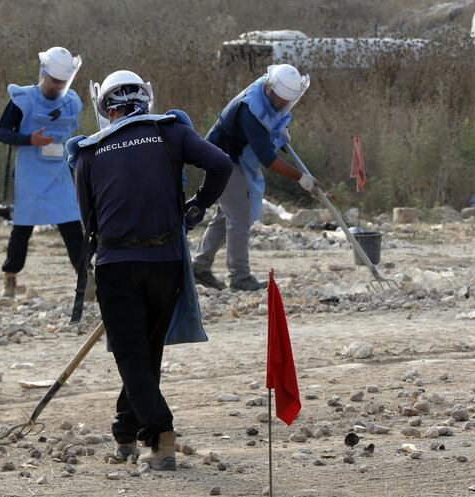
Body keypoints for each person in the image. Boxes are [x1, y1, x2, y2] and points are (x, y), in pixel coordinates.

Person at [68, 70, 232, 470]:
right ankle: (125, 431)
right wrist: (197, 206)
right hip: (166, 263)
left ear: (106, 107)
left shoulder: (88, 152)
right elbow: (222, 164)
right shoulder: (170, 131)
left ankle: (161, 436)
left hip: (116, 265)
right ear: (146, 100)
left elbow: (87, 220)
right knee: (145, 352)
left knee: (131, 354)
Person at [192, 64, 319, 291]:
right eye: (279, 100)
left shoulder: (267, 87)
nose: (282, 105)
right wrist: (301, 178)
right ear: (270, 88)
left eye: (285, 101)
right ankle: (240, 278)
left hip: (232, 156)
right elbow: (268, 159)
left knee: (227, 215)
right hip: (221, 159)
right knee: (240, 217)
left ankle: (199, 267)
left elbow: (272, 122)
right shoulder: (251, 110)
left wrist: (279, 132)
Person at [0, 46, 93, 299]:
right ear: (43, 74)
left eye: (61, 82)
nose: (56, 86)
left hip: (59, 173)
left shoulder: (71, 102)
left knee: (72, 227)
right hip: (30, 175)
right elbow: (1, 132)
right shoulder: (22, 99)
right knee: (22, 230)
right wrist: (29, 139)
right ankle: (10, 277)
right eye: (53, 81)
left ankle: (88, 279)